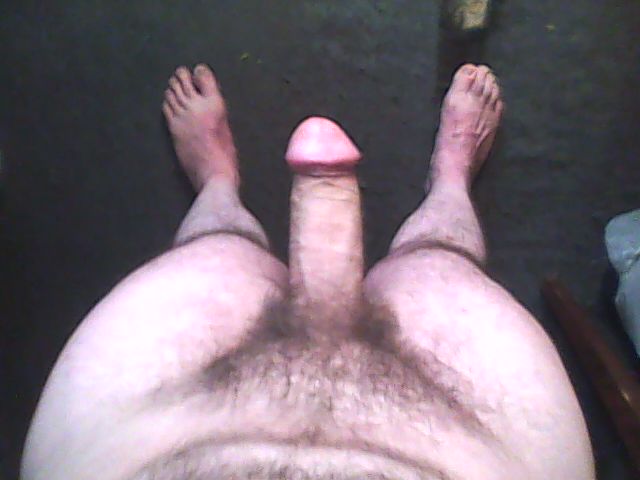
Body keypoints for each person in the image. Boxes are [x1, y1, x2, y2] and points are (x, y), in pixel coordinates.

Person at [21, 63, 594, 480]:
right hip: (483, 451)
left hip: (132, 440)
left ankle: (218, 186)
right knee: (439, 262)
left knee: (218, 250)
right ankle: (450, 182)